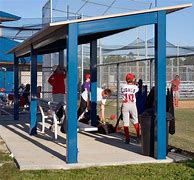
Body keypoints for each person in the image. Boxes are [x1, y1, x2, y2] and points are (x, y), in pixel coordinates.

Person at [120, 73, 140, 144]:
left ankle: (127, 139)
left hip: (125, 104)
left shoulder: (123, 86)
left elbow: (124, 90)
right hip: (132, 104)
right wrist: (135, 83)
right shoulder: (135, 87)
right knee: (135, 120)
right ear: (132, 79)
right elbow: (137, 91)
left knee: (126, 122)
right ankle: (138, 137)